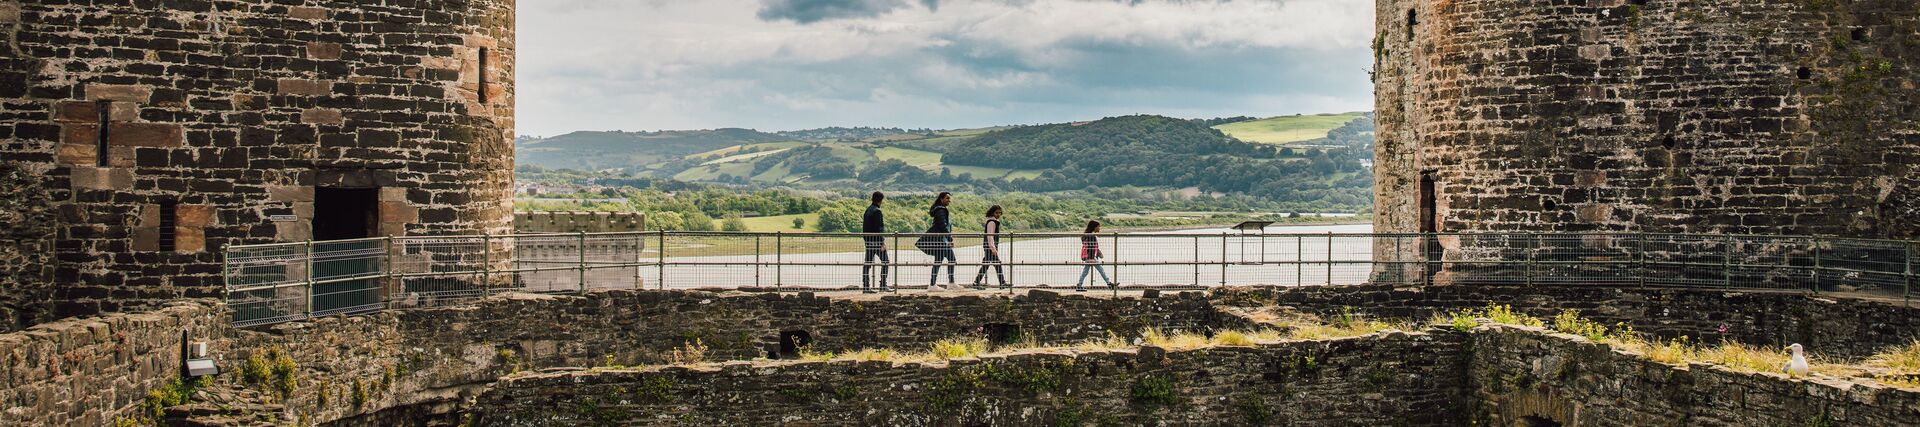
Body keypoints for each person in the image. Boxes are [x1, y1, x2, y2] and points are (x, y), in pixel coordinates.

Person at [925, 192, 957, 290]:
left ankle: (934, 284)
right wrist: (950, 238)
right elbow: (943, 226)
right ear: (941, 199)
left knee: (940, 261)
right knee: (950, 260)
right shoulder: (940, 210)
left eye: (949, 198)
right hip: (941, 241)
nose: (949, 200)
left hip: (942, 240)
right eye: (947, 198)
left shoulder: (940, 209)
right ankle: (944, 283)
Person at [971, 205, 1008, 289]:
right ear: (992, 213)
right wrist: (993, 248)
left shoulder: (993, 221)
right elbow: (990, 236)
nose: (998, 214)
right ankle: (1002, 283)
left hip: (990, 246)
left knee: (987, 264)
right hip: (990, 247)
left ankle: (976, 282)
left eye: (1000, 213)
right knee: (996, 264)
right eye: (996, 213)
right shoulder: (992, 222)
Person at [862, 191, 890, 293]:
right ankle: (883, 285)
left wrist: (866, 241)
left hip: (869, 242)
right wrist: (882, 242)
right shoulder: (877, 211)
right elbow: (879, 229)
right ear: (881, 200)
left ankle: (866, 286)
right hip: (877, 243)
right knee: (886, 262)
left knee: (867, 264)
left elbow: (865, 228)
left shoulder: (868, 210)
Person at [1075, 220, 1112, 292]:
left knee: (1086, 272)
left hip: (1088, 256)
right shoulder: (1091, 235)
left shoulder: (1088, 235)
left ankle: (1079, 285)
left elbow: (1093, 247)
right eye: (1098, 227)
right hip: (1090, 257)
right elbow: (1090, 247)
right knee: (1101, 270)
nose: (1099, 229)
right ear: (1094, 227)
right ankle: (1109, 284)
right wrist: (1091, 257)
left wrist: (1098, 253)